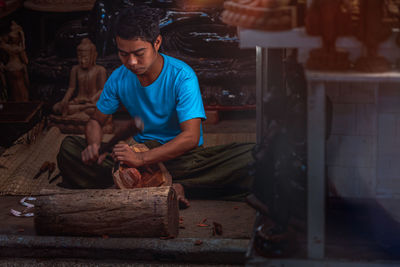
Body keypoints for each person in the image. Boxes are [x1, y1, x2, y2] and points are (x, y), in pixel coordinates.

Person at [57, 5, 255, 208]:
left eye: (139, 53)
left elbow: (190, 137)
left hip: (180, 159)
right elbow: (95, 121)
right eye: (123, 54)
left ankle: (151, 185)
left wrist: (141, 159)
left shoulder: (182, 76)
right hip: (134, 161)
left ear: (157, 42)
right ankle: (166, 187)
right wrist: (94, 146)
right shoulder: (118, 78)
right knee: (68, 148)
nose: (131, 62)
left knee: (253, 157)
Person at [52, 38, 107, 120]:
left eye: (85, 58)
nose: (82, 61)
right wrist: (65, 100)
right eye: (79, 58)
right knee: (56, 108)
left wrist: (92, 99)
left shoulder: (100, 70)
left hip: (92, 103)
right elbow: (71, 88)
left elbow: (103, 89)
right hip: (78, 101)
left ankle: (75, 116)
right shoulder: (75, 69)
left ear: (93, 56)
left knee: (98, 110)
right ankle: (81, 115)